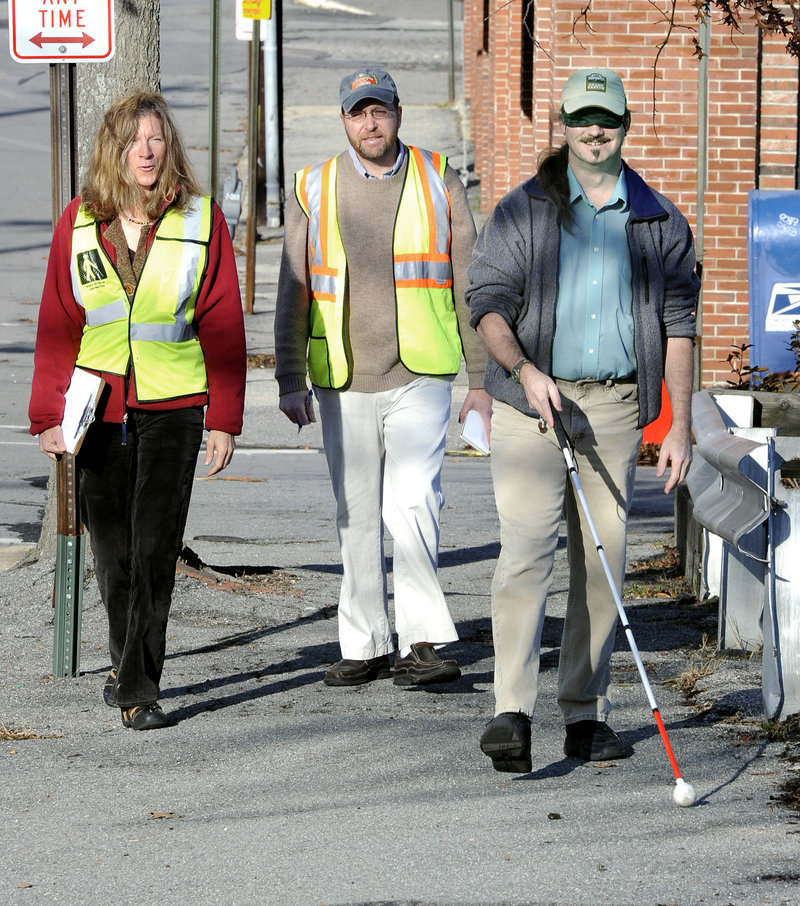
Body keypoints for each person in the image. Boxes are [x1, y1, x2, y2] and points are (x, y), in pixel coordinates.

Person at [466, 69, 699, 772]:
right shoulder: (524, 210)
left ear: (625, 126)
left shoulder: (658, 219)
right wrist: (527, 371)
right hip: (532, 406)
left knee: (604, 560)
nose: (595, 132)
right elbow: (488, 304)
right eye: (582, 120)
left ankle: (584, 712)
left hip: (618, 406)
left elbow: (680, 325)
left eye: (608, 121)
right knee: (526, 555)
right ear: (563, 126)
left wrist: (679, 426)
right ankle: (511, 711)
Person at [29, 92, 247, 731]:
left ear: (169, 147)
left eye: (155, 139)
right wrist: (48, 416)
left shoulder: (202, 219)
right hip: (96, 405)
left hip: (174, 406)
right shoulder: (77, 221)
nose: (146, 152)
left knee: (154, 548)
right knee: (114, 551)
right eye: (133, 141)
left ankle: (139, 687)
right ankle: (125, 662)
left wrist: (225, 418)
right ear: (112, 150)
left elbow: (224, 322)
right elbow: (57, 322)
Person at [275, 68, 492, 688]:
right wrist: (290, 375)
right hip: (341, 379)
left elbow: (468, 281)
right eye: (357, 113)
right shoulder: (312, 187)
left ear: (399, 113)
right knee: (355, 512)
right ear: (343, 120)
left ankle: (422, 641)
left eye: (380, 111)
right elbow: (293, 288)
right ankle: (365, 641)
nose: (370, 123)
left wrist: (480, 379)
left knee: (415, 500)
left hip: (419, 372)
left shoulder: (436, 176)